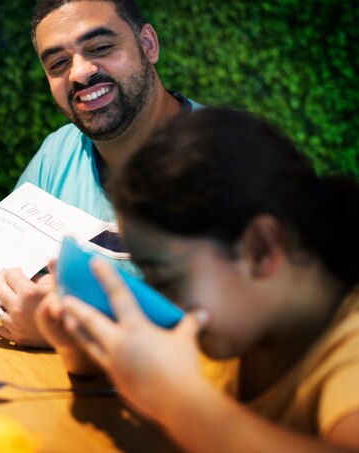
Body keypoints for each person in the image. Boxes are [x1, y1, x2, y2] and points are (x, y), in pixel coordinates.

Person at [35, 108, 359, 451]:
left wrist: (177, 400)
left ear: (260, 249)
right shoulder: (239, 326)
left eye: (167, 280)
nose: (160, 302)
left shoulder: (348, 352)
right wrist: (83, 353)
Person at [0, 0, 201, 347]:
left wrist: (62, 329)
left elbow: (238, 337)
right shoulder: (58, 153)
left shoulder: (232, 159)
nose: (79, 73)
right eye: (58, 63)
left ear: (148, 45)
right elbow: (0, 274)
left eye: (101, 47)